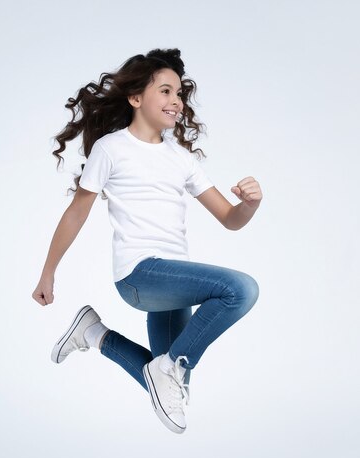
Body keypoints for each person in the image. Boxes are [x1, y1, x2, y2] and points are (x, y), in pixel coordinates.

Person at [32, 48, 262, 435]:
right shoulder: (110, 149)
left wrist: (251, 204)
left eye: (179, 94)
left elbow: (229, 219)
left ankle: (94, 333)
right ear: (136, 98)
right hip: (140, 275)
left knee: (171, 385)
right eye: (166, 91)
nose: (176, 102)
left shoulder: (181, 159)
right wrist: (47, 273)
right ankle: (168, 365)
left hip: (174, 281)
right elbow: (76, 213)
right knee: (241, 289)